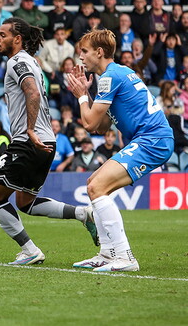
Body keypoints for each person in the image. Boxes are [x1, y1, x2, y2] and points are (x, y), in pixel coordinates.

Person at [0, 18, 98, 266]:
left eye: (3, 35)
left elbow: (33, 92)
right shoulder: (33, 63)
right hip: (47, 141)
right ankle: (82, 213)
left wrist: (28, 129)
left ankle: (29, 250)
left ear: (17, 39)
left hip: (28, 141)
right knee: (25, 202)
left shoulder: (17, 62)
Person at [64, 29, 175, 271]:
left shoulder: (110, 77)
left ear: (100, 52)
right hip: (153, 138)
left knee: (95, 187)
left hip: (152, 140)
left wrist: (82, 96)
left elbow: (90, 123)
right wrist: (88, 95)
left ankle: (125, 257)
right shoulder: (118, 73)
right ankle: (107, 253)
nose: (80, 56)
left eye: (84, 51)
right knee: (94, 184)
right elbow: (102, 127)